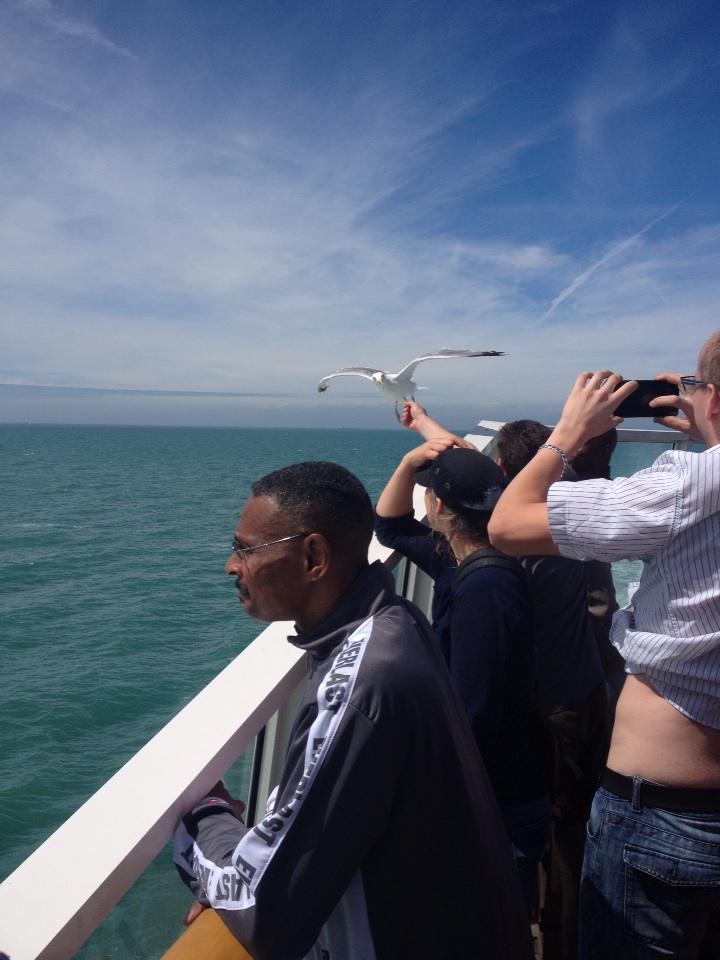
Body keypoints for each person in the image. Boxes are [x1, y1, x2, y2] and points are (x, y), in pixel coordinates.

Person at [174, 460, 532, 960]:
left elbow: (264, 912)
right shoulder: (398, 620)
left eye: (245, 549)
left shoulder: (359, 685)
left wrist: (205, 818)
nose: (232, 566)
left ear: (314, 557)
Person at [489, 333, 720, 959]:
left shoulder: (688, 485)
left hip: (669, 815)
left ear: (713, 401)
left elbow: (508, 524)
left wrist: (564, 434)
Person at [374, 433, 550, 914]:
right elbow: (389, 527)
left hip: (498, 802)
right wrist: (410, 460)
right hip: (505, 789)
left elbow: (477, 713)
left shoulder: (484, 589)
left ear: (437, 506)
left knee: (492, 921)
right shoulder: (463, 559)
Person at [494, 418, 610, 960]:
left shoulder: (517, 541)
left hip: (554, 709)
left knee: (557, 835)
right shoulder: (574, 513)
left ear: (502, 471)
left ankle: (560, 940)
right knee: (580, 821)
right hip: (589, 689)